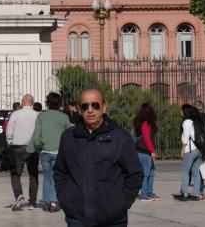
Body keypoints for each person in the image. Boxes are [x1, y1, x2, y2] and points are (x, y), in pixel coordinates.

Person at [54, 88, 142, 227]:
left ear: (104, 107)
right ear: (79, 109)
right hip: (77, 218)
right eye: (85, 106)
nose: (90, 110)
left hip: (112, 219)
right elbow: (60, 171)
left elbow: (135, 174)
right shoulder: (68, 137)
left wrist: (121, 204)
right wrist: (66, 199)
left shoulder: (120, 137)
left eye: (95, 105)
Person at [27, 92, 69, 212]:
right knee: (56, 177)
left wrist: (38, 147)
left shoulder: (41, 116)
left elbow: (36, 136)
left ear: (47, 103)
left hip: (45, 151)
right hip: (58, 152)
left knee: (47, 177)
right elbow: (68, 134)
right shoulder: (64, 117)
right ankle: (54, 202)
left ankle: (46, 201)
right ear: (59, 103)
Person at [5, 93, 39, 211]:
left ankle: (18, 195)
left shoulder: (15, 114)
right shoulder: (37, 115)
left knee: (15, 173)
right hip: (32, 147)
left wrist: (10, 142)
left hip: (17, 147)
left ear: (22, 103)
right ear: (32, 103)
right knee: (33, 175)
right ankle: (33, 202)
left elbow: (9, 131)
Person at [173, 104, 205, 201]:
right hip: (198, 150)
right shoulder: (193, 121)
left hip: (190, 150)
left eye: (181, 110)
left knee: (185, 171)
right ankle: (196, 194)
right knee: (196, 172)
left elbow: (186, 136)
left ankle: (184, 194)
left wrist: (183, 149)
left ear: (185, 112)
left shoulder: (186, 122)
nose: (180, 112)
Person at [132, 103, 159, 201]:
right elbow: (147, 139)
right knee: (146, 173)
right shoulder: (145, 124)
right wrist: (152, 151)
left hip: (145, 151)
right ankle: (144, 195)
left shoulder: (146, 123)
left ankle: (149, 192)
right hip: (143, 151)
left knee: (151, 172)